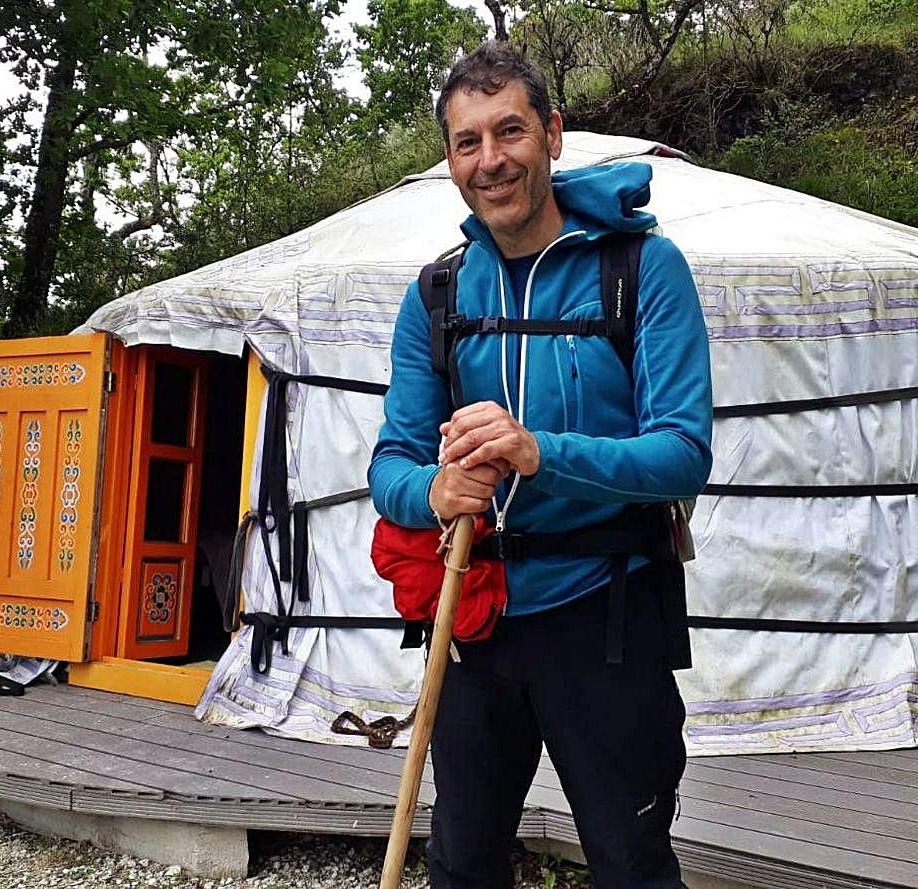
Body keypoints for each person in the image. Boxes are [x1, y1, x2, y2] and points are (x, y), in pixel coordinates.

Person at [369, 41, 713, 889]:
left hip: (606, 616)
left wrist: (538, 452)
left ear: (553, 135)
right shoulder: (438, 296)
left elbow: (683, 453)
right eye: (467, 142)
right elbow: (390, 465)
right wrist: (434, 489)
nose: (491, 160)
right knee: (462, 866)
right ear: (450, 160)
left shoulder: (641, 270)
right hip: (473, 620)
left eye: (510, 131)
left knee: (632, 865)